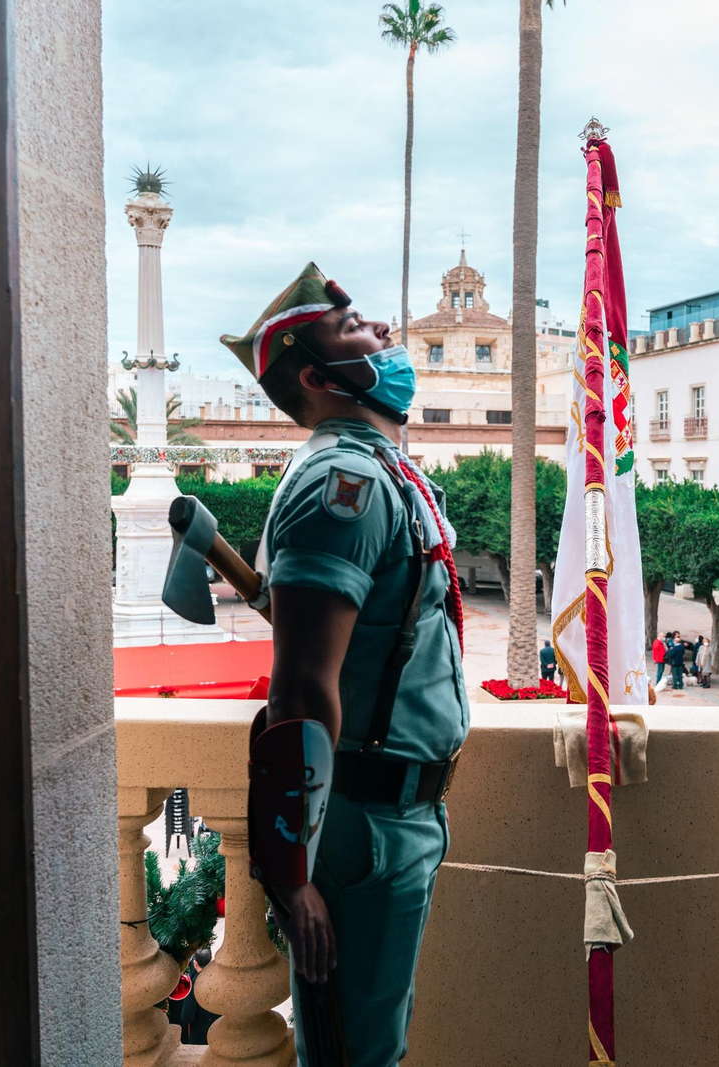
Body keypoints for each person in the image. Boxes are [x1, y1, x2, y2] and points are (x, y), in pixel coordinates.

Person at [221, 262, 468, 1067]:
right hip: (364, 825)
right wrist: (291, 875)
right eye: (356, 326)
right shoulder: (345, 479)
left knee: (368, 1044)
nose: (386, 332)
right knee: (355, 1056)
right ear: (318, 375)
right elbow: (299, 683)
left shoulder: (372, 466)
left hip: (389, 814)